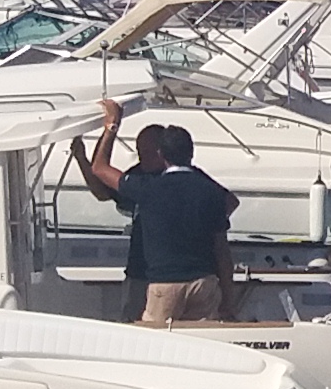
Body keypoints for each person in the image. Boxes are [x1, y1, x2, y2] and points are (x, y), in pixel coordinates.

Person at [77, 99, 239, 324]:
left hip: (162, 281)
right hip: (178, 277)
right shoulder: (205, 189)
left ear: (161, 153)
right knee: (201, 340)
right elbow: (102, 191)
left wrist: (112, 126)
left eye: (146, 152)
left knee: (146, 341)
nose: (142, 157)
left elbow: (101, 169)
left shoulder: (148, 188)